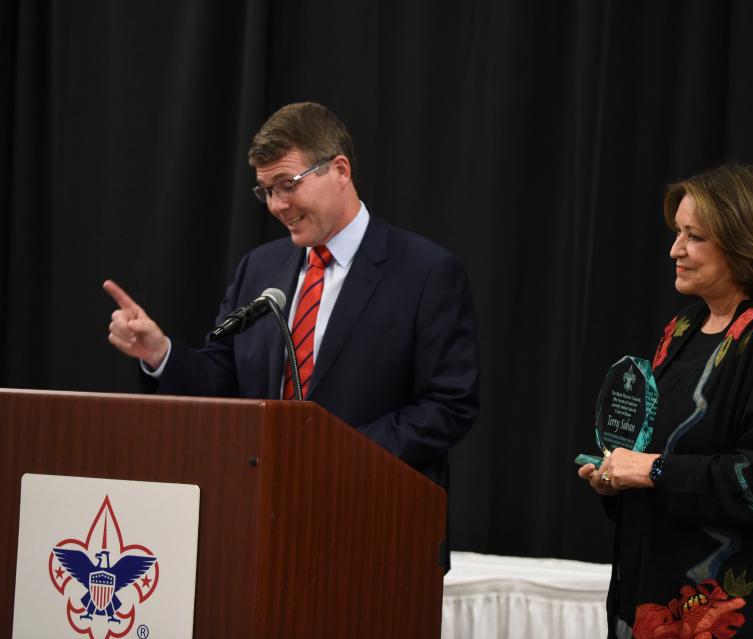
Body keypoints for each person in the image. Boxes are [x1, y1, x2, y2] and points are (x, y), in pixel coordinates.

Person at [104, 101, 479, 489]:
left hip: (375, 508)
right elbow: (223, 380)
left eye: (287, 185)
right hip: (264, 508)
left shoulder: (425, 272)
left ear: (339, 170)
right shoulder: (259, 268)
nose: (276, 206)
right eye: (266, 191)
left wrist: (335, 454)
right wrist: (159, 354)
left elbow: (448, 405)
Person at [578, 164, 753, 638]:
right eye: (678, 233)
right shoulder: (681, 331)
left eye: (694, 236)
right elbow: (664, 460)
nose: (674, 250)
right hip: (654, 600)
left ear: (745, 243)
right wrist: (618, 478)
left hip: (740, 612)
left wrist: (652, 470)